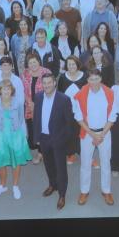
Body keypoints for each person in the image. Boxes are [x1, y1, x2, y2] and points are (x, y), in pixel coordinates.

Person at [72, 67, 117, 205]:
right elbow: (78, 118)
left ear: (101, 79)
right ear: (87, 80)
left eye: (97, 79)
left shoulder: (110, 93)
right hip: (88, 133)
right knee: (85, 163)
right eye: (91, 79)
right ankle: (84, 191)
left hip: (105, 133)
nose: (94, 82)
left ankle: (106, 190)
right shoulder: (80, 95)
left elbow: (112, 116)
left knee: (105, 162)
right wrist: (93, 135)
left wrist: (102, 134)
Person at [34, 71, 75, 210]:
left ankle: (62, 195)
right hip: (44, 139)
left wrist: (68, 144)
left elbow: (70, 124)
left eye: (49, 82)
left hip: (58, 140)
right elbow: (36, 119)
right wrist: (37, 138)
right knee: (49, 165)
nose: (46, 85)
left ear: (54, 83)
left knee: (61, 168)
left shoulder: (64, 99)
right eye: (44, 83)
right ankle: (53, 185)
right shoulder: (38, 97)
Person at [0, 79, 30, 200]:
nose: (6, 91)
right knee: (0, 160)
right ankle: (2, 185)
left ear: (11, 90)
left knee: (16, 160)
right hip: (0, 135)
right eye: (3, 88)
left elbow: (21, 118)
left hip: (16, 134)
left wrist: (23, 135)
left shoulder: (18, 102)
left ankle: (15, 186)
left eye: (8, 88)